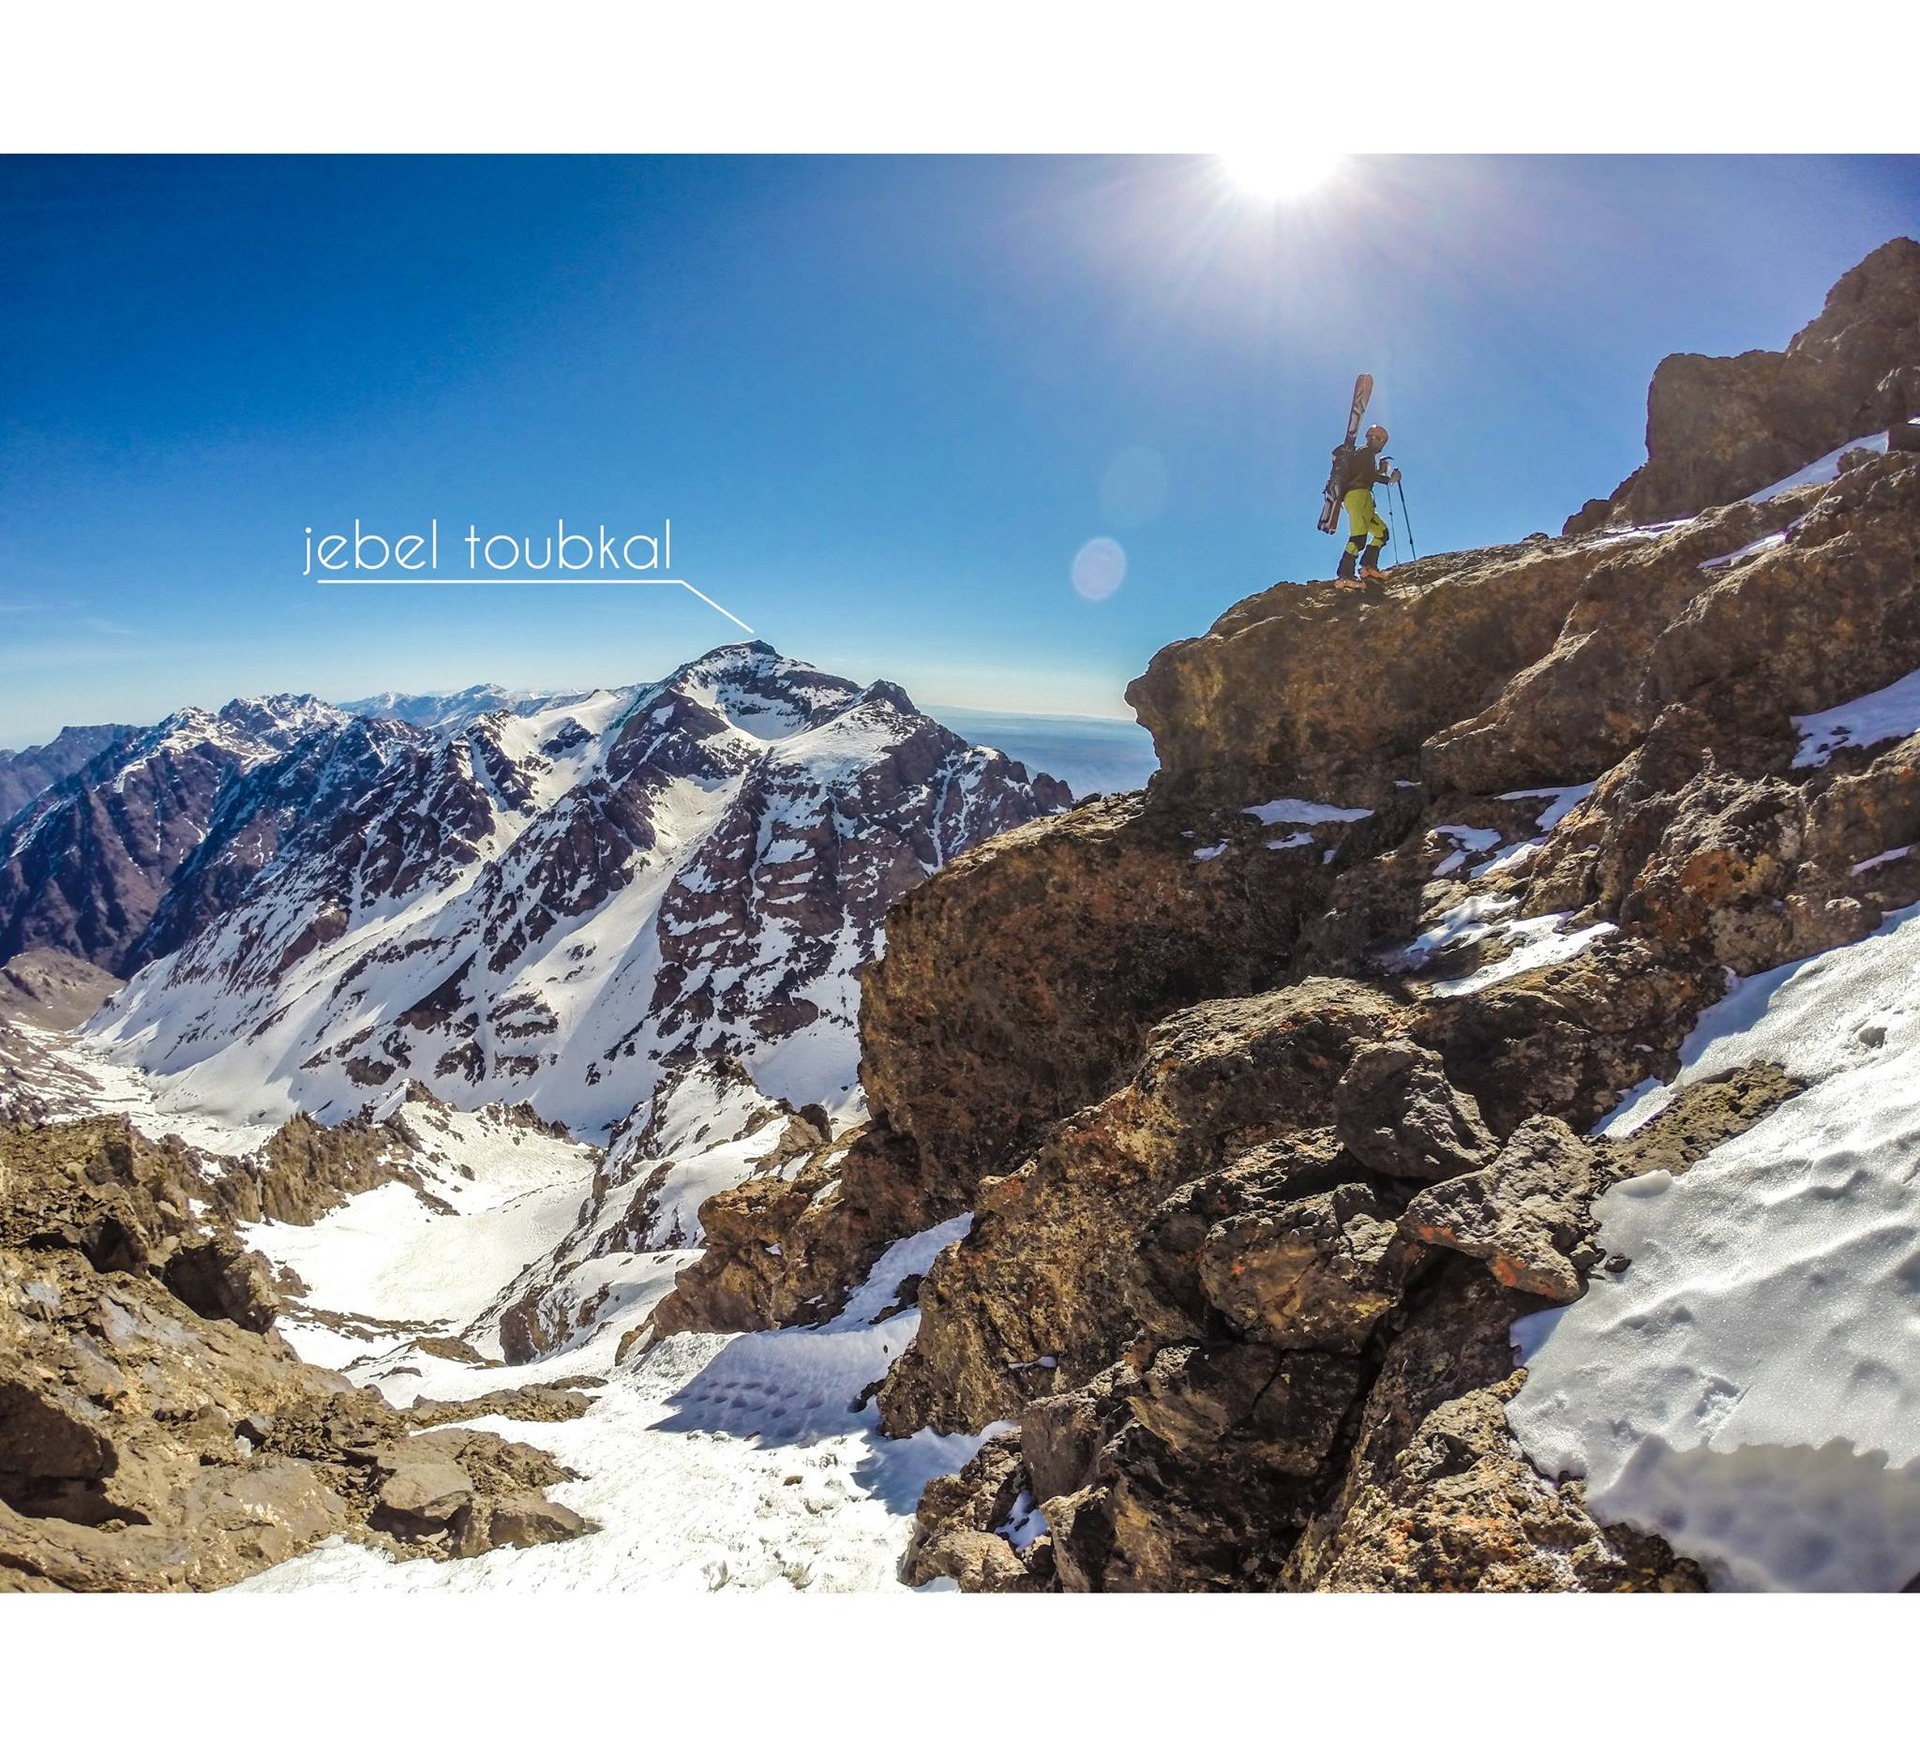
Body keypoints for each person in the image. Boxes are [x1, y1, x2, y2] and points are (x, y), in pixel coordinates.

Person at [1335, 424, 1400, 584]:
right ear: (1375, 439)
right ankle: (1345, 575)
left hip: (1360, 498)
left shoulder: (1362, 453)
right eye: (1381, 440)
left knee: (1381, 533)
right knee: (1358, 537)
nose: (1381, 443)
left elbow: (1365, 474)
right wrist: (1389, 479)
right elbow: (1368, 476)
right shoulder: (1366, 453)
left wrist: (1380, 471)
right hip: (1359, 496)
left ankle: (1368, 567)